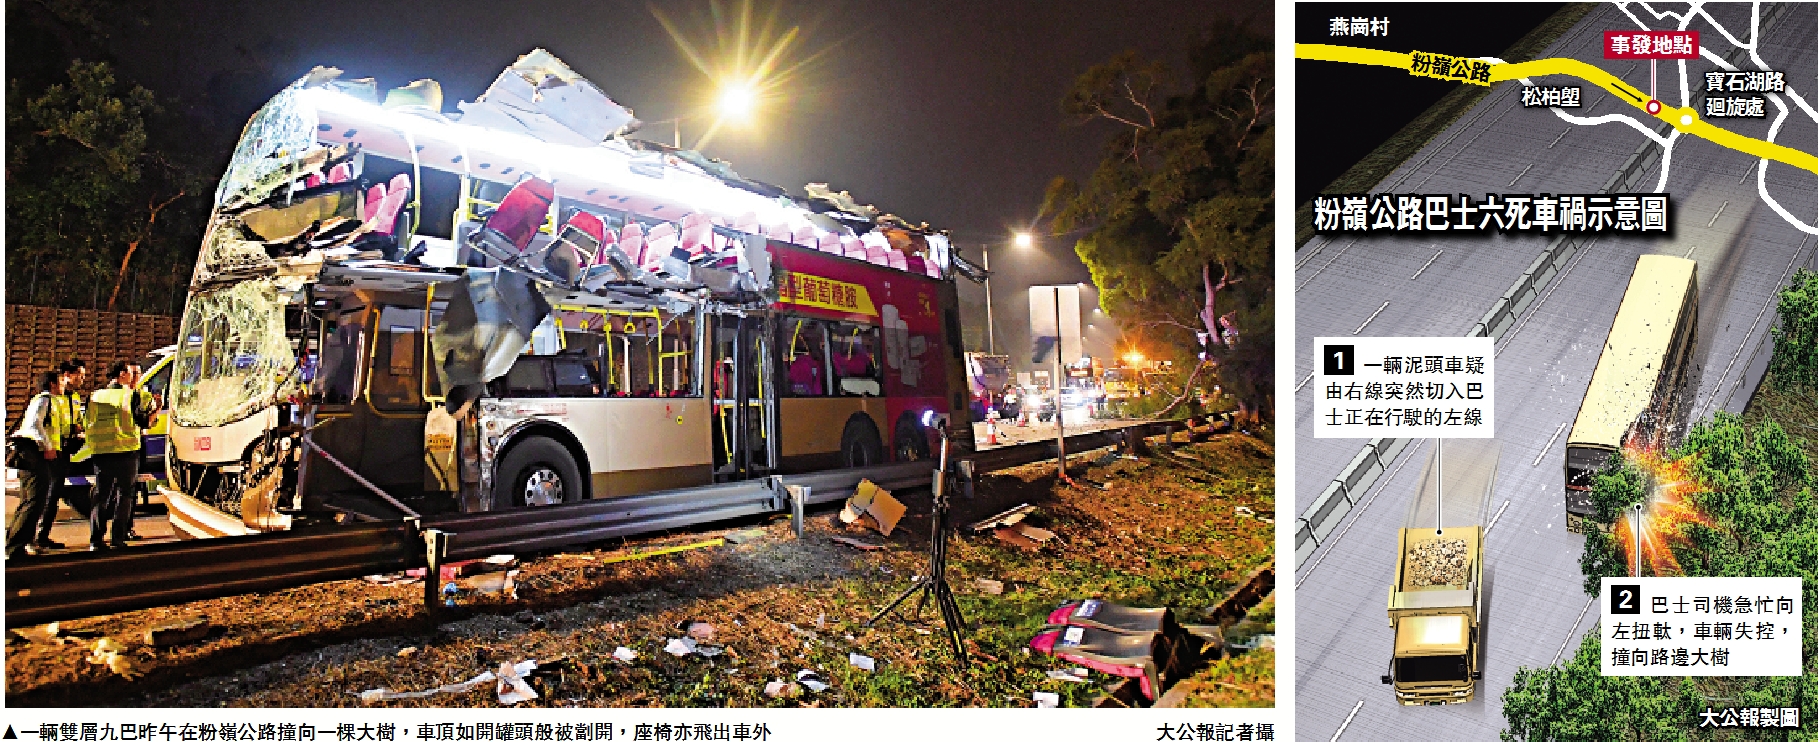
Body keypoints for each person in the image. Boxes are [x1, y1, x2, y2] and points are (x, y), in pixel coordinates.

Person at [83, 361, 145, 551]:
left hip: (101, 452)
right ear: (121, 375)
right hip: (126, 451)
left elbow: (87, 421)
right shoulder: (130, 395)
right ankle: (118, 538)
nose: (132, 376)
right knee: (125, 495)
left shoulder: (95, 395)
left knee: (101, 496)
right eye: (129, 373)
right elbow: (142, 421)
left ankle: (96, 540)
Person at [6, 372, 65, 559]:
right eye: (61, 382)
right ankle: (14, 548)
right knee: (34, 502)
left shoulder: (43, 401)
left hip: (33, 456)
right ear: (53, 384)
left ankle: (15, 545)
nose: (63, 385)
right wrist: (47, 446)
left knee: (29, 501)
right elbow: (33, 425)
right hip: (34, 456)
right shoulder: (44, 400)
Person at [34, 362, 88, 550]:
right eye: (79, 375)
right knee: (48, 495)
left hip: (66, 449)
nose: (82, 379)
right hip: (51, 451)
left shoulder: (74, 397)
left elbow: (76, 420)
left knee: (54, 494)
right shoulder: (52, 398)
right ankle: (38, 537)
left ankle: (42, 536)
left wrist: (79, 428)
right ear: (66, 374)